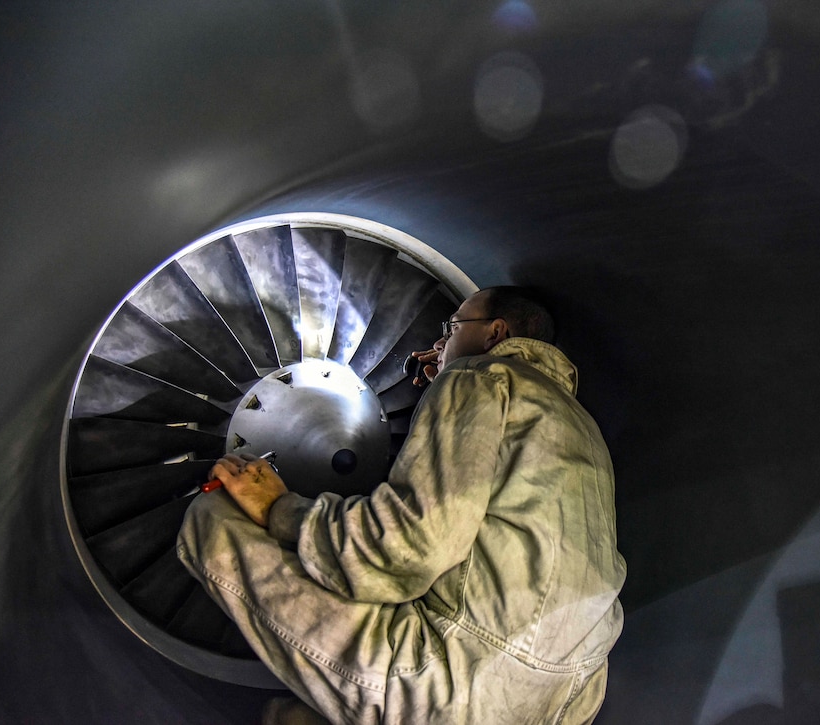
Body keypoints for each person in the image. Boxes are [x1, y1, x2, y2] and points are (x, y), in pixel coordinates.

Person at [177, 286, 626, 724]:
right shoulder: (584, 428)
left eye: (451, 327)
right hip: (567, 700)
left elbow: (409, 548)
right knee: (294, 717)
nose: (438, 342)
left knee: (213, 518)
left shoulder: (479, 378)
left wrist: (280, 509)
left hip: (453, 683)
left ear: (494, 335)